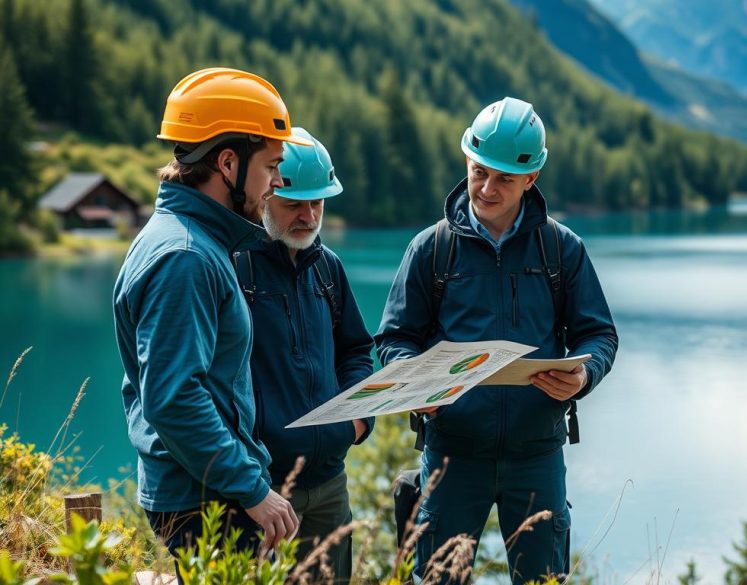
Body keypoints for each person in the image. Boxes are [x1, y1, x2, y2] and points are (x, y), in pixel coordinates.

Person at [375, 97, 618, 583]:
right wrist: (419, 388)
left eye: (504, 178)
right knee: (440, 578)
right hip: (452, 455)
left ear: (531, 179)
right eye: (479, 171)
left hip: (537, 456)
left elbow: (599, 333)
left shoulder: (561, 249)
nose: (486, 188)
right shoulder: (431, 248)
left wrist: (584, 375)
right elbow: (395, 339)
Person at [113, 67, 307, 568]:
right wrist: (252, 490)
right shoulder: (187, 256)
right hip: (205, 502)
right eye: (271, 167)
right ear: (227, 163)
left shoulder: (189, 240)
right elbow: (173, 397)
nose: (278, 182)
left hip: (205, 491)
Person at [235, 127, 374, 582]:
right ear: (267, 193)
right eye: (295, 204)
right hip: (261, 490)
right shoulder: (234, 266)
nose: (309, 215)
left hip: (329, 483)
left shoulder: (327, 268)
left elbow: (355, 350)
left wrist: (357, 420)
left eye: (317, 203)